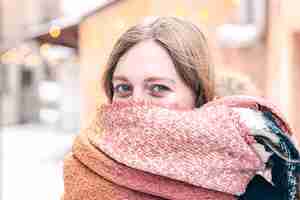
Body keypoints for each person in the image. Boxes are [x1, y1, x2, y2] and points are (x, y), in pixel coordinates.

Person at [62, 17, 300, 200]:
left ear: (197, 94)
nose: (137, 103)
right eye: (124, 88)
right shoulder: (87, 162)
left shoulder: (255, 163)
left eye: (158, 89)